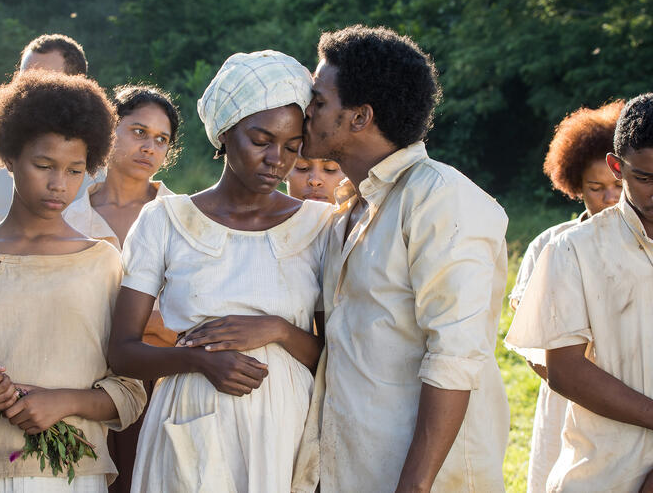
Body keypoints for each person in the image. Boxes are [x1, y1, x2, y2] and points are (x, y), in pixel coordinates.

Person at [108, 50, 333, 492]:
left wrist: (277, 330)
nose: (277, 160)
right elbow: (122, 352)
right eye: (261, 140)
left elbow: (335, 358)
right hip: (188, 423)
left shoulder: (319, 227)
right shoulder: (167, 221)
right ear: (225, 134)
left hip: (282, 427)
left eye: (292, 148)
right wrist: (196, 361)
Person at [299, 25, 509, 492]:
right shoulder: (348, 208)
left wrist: (414, 485)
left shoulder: (442, 199)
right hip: (354, 467)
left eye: (317, 102)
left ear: (359, 117)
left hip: (428, 477)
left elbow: (454, 355)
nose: (304, 114)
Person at [0, 71, 146, 492]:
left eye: (75, 170)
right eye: (43, 165)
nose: (59, 184)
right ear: (8, 157)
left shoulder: (104, 263)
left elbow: (130, 391)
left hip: (76, 476)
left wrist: (66, 402)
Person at [505, 93, 653, 491]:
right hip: (601, 472)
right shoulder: (569, 249)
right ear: (617, 167)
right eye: (644, 178)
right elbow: (564, 370)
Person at [63, 84, 181, 493]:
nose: (149, 146)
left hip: (156, 382)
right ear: (110, 130)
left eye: (161, 140)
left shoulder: (182, 220)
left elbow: (181, 321)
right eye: (138, 132)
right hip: (80, 381)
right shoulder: (69, 217)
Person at [0, 34, 99, 240]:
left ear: (78, 88)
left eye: (44, 81)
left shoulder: (98, 169)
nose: (30, 90)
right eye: (25, 79)